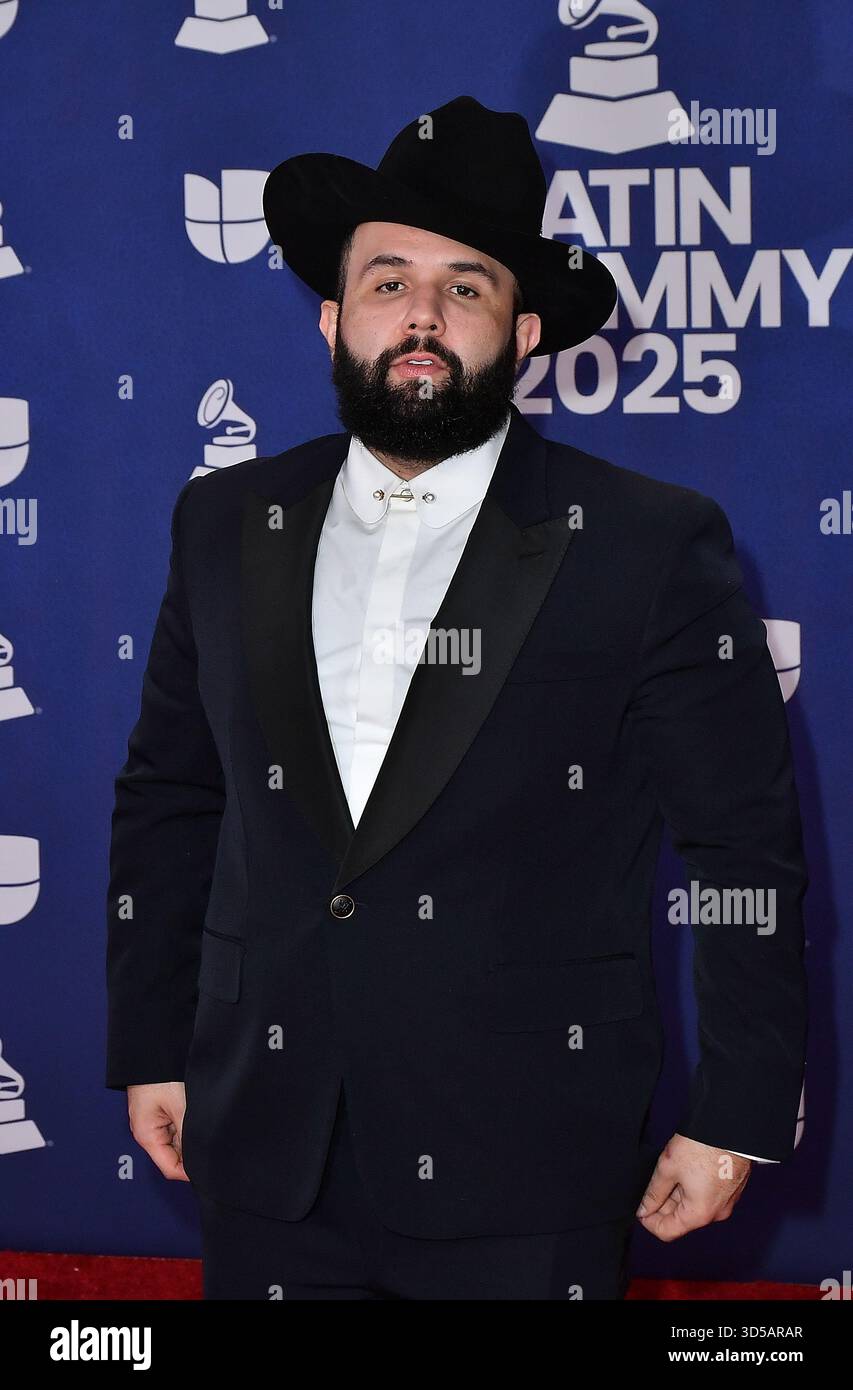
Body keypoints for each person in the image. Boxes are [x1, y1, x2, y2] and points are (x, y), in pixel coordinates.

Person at [105, 96, 808, 1300]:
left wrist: (736, 1109)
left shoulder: (647, 541)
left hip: (528, 1167)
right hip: (265, 1139)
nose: (421, 315)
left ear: (523, 332)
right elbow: (172, 796)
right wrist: (152, 1038)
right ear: (332, 316)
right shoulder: (223, 521)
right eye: (387, 281)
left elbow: (741, 847)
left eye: (464, 287)